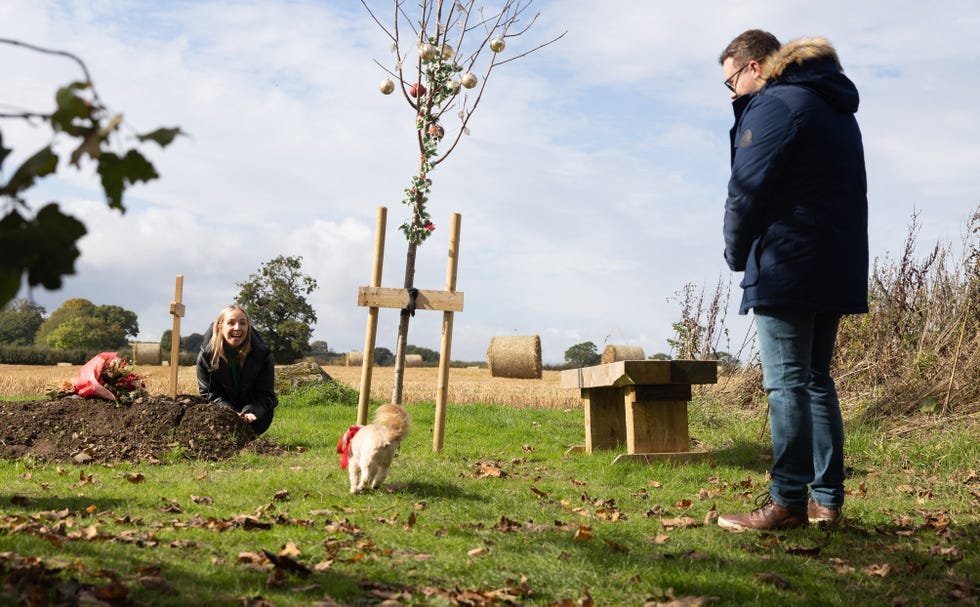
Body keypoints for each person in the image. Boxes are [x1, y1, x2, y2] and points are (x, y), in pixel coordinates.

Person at [715, 30, 869, 531]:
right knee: (816, 381)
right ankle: (827, 501)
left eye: (732, 80)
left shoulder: (776, 105)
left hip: (788, 259)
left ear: (756, 66)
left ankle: (785, 502)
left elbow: (744, 190)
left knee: (785, 385)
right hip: (835, 261)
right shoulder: (833, 105)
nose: (733, 93)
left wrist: (737, 253)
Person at [196, 304, 278, 435]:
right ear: (220, 326)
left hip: (255, 419)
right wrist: (229, 412)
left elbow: (266, 395)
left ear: (248, 328)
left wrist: (252, 411)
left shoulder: (262, 355)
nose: (237, 328)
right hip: (221, 416)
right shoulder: (206, 357)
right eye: (231, 323)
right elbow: (209, 394)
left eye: (242, 323)